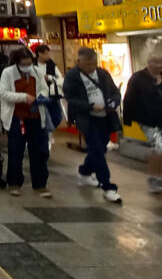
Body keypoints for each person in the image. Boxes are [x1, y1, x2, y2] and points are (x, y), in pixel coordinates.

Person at [64, 47, 123, 204]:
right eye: (88, 64)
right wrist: (90, 106)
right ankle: (108, 187)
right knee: (97, 150)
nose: (91, 67)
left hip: (105, 117)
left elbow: (115, 92)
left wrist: (113, 102)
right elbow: (70, 98)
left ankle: (84, 171)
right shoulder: (72, 77)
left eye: (93, 64)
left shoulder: (102, 74)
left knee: (100, 148)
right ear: (79, 62)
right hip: (87, 119)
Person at [0, 48, 52, 198]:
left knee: (40, 152)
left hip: (36, 117)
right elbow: (3, 92)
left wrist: (41, 96)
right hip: (17, 118)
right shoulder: (8, 73)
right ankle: (14, 183)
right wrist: (23, 97)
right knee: (16, 151)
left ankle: (40, 184)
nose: (27, 66)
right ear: (17, 63)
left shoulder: (37, 72)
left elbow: (44, 89)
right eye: (24, 64)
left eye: (29, 63)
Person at [123, 54, 162, 194]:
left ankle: (158, 178)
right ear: (148, 62)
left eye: (161, 62)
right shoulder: (138, 79)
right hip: (146, 120)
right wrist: (127, 121)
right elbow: (129, 99)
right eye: (155, 62)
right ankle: (156, 179)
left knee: (159, 149)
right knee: (159, 146)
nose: (158, 65)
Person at [34, 45, 66, 147]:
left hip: (51, 95)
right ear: (40, 53)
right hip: (38, 95)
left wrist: (50, 78)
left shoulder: (52, 65)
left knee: (55, 116)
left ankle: (49, 134)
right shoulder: (32, 65)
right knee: (43, 117)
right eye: (46, 53)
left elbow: (61, 79)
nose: (49, 55)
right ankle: (46, 137)